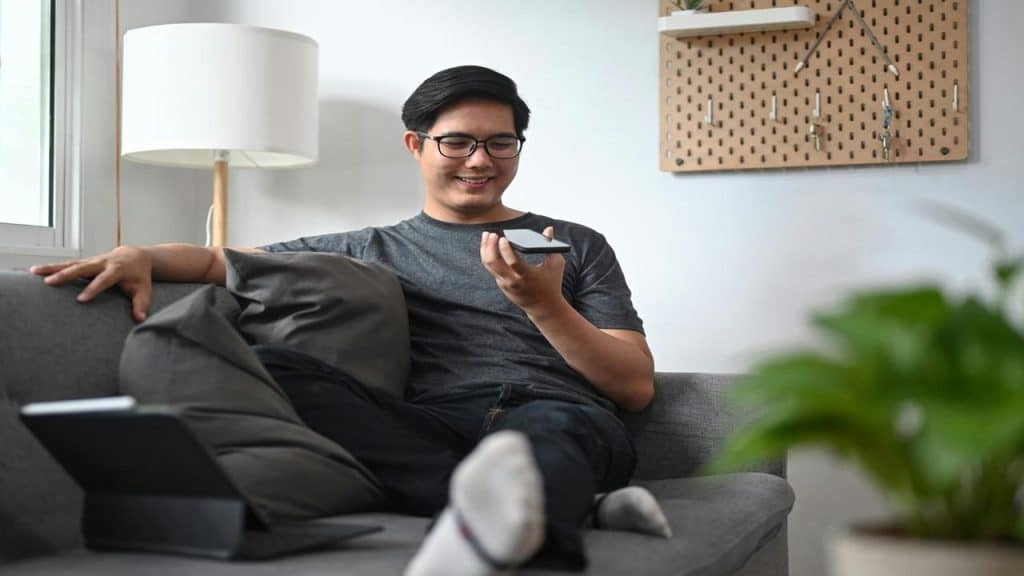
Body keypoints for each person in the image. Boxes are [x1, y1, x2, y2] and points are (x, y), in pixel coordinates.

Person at [32, 65, 670, 575]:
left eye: (500, 143)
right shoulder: (371, 248)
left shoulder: (573, 243)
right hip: (432, 425)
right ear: (416, 145)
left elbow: (634, 387)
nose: (479, 160)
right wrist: (141, 254)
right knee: (273, 367)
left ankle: (511, 540)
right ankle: (570, 506)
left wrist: (543, 304)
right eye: (457, 142)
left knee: (541, 436)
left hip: (556, 409)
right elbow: (214, 261)